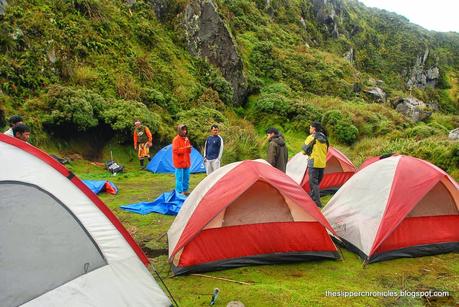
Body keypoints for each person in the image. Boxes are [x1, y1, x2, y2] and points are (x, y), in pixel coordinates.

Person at [302, 121, 329, 207]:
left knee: (313, 183)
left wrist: (309, 153)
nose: (309, 129)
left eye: (310, 127)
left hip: (313, 163)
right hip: (322, 163)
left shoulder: (311, 138)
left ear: (314, 129)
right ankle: (312, 197)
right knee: (316, 182)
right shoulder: (324, 137)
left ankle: (317, 202)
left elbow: (303, 151)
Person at [172, 124, 192, 195]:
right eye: (183, 130)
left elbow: (189, 151)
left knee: (186, 178)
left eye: (185, 130)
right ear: (179, 130)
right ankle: (179, 192)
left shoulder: (186, 139)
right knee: (179, 178)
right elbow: (176, 151)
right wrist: (186, 148)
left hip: (186, 161)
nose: (184, 131)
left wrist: (189, 148)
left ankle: (185, 190)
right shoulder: (176, 139)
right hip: (179, 162)